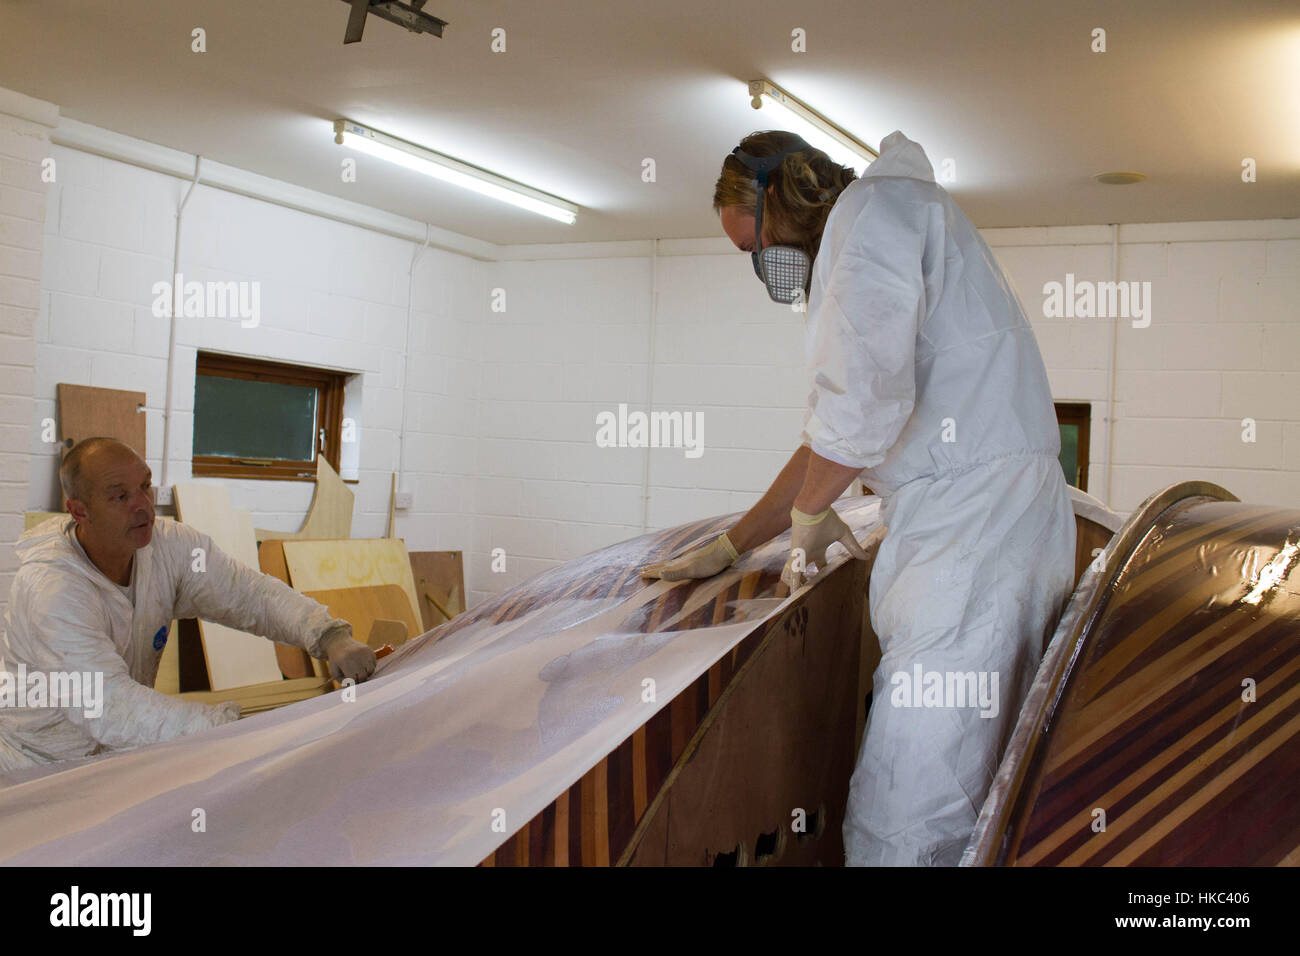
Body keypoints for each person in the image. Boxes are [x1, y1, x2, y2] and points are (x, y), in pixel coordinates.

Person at [642, 130, 1076, 865]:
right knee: (982, 779)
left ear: (779, 193)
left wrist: (812, 512)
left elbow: (856, 414)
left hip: (969, 535)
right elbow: (833, 433)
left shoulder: (872, 216)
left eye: (758, 244)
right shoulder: (901, 215)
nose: (766, 267)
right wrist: (737, 541)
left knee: (909, 807)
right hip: (993, 524)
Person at [0, 437, 376, 773]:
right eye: (120, 496)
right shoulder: (52, 590)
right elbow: (106, 704)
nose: (143, 506)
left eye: (145, 486)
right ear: (79, 511)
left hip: (110, 757)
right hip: (37, 766)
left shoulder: (169, 548)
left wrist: (328, 636)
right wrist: (221, 732)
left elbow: (249, 594)